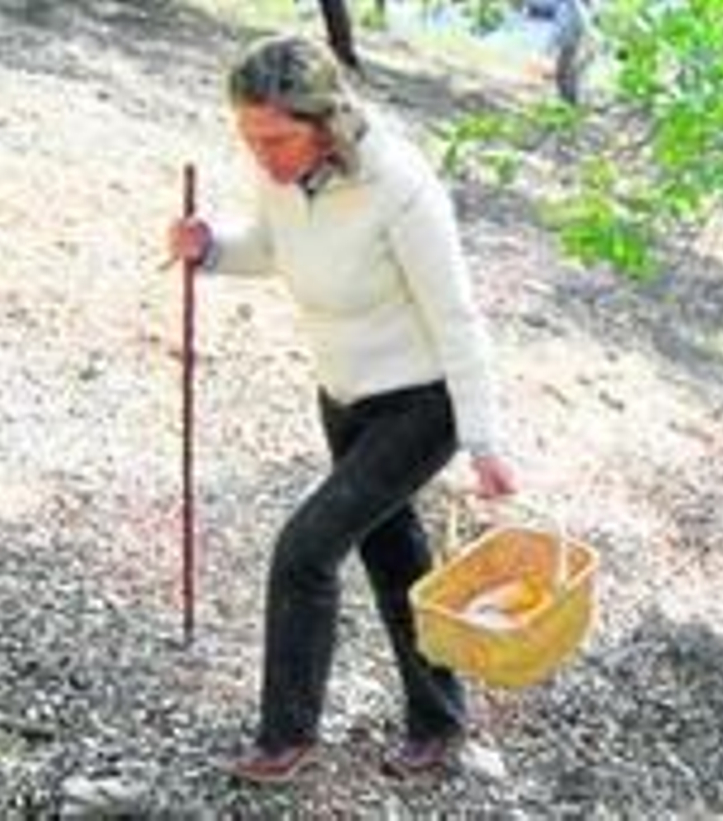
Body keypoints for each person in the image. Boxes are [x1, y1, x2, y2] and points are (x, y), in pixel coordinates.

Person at [165, 34, 517, 784]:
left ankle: (285, 738)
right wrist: (211, 246)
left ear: (324, 122)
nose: (262, 156)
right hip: (344, 397)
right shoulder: (284, 175)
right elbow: (273, 246)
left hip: (421, 405)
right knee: (396, 558)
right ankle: (440, 720)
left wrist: (484, 441)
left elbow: (457, 319)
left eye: (276, 140)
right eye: (249, 138)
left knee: (304, 552)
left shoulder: (400, 187)